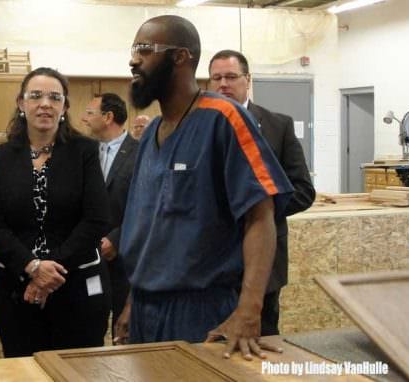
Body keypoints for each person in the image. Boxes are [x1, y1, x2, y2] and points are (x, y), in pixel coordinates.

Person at [118, 15, 294, 360]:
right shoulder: (151, 133)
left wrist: (249, 310)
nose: (133, 60)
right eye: (134, 49)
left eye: (145, 49)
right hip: (145, 308)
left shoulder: (223, 118)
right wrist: (131, 302)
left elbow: (261, 216)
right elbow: (147, 232)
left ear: (180, 57)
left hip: (201, 310)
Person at [0, 67, 111, 357]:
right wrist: (32, 267)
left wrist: (49, 271)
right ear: (21, 103)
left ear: (65, 106)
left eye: (55, 97)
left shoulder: (84, 151)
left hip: (76, 288)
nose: (45, 104)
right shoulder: (3, 156)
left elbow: (96, 218)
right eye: (36, 96)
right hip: (16, 289)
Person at [209, 49, 315, 336]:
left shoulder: (277, 126)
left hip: (263, 266)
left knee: (260, 346)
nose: (223, 84)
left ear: (248, 80)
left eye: (231, 77)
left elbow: (304, 191)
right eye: (216, 78)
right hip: (211, 264)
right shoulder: (199, 127)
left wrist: (256, 209)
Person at [81, 92, 138, 339]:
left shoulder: (140, 152)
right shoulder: (84, 152)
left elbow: (144, 206)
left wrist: (117, 239)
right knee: (89, 324)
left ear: (108, 117)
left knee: (123, 331)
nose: (84, 119)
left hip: (126, 259)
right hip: (88, 256)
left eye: (90, 113)